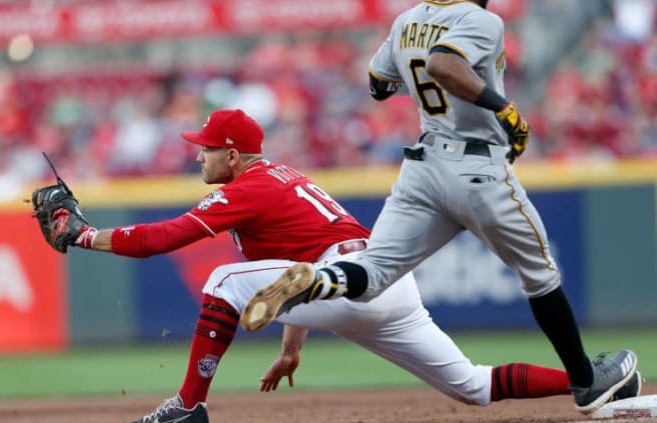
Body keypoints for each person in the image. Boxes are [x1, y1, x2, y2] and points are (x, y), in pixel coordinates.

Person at [45, 109, 640, 423]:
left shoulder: (248, 186)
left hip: (351, 280)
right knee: (471, 387)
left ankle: (189, 407)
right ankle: (595, 380)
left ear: (232, 152)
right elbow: (302, 270)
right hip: (381, 284)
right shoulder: (282, 179)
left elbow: (161, 238)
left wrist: (84, 235)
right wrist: (293, 346)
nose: (197, 154)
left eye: (204, 147)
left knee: (222, 280)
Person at [240, 0, 639, 416]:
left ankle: (315, 283)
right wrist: (502, 107)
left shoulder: (407, 20)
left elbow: (378, 83)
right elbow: (443, 65)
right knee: (540, 275)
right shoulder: (481, 19)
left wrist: (420, 79)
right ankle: (587, 381)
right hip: (476, 166)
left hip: (423, 167)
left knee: (374, 273)